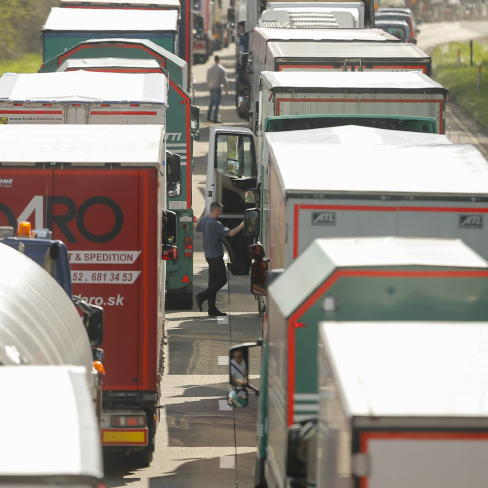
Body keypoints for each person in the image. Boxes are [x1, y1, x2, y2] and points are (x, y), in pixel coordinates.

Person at [195, 202, 243, 317]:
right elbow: (231, 233)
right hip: (216, 257)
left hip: (208, 256)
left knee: (213, 282)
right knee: (222, 280)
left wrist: (203, 213)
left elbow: (197, 228)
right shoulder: (215, 224)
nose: (221, 213)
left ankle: (212, 309)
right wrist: (243, 224)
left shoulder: (205, 220)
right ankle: (201, 296)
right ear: (215, 210)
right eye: (220, 211)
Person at [206, 55, 228, 123]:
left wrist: (209, 85)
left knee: (212, 102)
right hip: (217, 87)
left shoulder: (209, 68)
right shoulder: (222, 69)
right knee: (217, 104)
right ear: (219, 60)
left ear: (214, 59)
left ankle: (209, 117)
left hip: (211, 87)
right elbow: (224, 80)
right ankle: (215, 118)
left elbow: (207, 78)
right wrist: (226, 90)